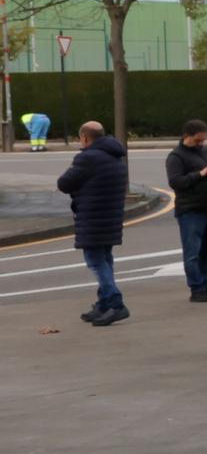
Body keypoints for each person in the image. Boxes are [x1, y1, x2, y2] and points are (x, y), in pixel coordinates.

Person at [58, 121, 130, 326]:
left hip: (92, 218)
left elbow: (64, 183)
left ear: (85, 137)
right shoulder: (116, 156)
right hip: (110, 216)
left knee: (96, 262)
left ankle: (116, 304)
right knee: (105, 260)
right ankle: (104, 304)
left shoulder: (87, 158)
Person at [165, 118, 207, 303]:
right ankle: (196, 287)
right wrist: (200, 173)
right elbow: (176, 182)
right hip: (191, 210)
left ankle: (205, 284)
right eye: (197, 140)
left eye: (203, 140)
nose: (201, 144)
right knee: (193, 252)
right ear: (186, 137)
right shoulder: (176, 156)